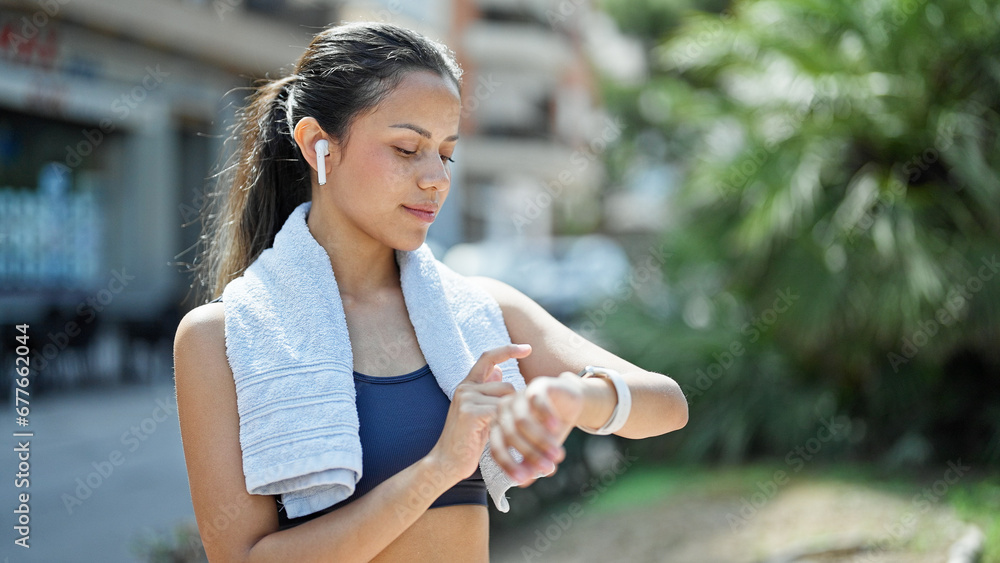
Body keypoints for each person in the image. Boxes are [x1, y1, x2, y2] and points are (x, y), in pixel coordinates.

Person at [173, 21, 688, 563]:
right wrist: (441, 467)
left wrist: (572, 399)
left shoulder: (480, 310)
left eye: (446, 153)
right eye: (406, 148)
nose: (436, 177)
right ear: (317, 144)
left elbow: (668, 404)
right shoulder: (222, 337)